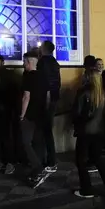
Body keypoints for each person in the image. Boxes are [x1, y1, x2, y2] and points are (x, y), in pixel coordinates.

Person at [72, 70, 105, 207]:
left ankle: (86, 188)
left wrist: (77, 124)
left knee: (81, 161)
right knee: (99, 160)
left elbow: (76, 113)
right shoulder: (102, 93)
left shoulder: (83, 92)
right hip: (100, 132)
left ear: (87, 78)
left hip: (85, 132)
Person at [20, 51, 50, 188]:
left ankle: (38, 169)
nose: (23, 64)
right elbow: (48, 95)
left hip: (30, 114)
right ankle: (38, 169)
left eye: (24, 62)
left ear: (29, 62)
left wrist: (22, 114)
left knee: (25, 142)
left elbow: (26, 97)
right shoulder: (43, 76)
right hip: (41, 113)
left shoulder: (28, 77)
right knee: (38, 142)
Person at [0, 55, 20, 175]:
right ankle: (3, 161)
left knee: (7, 137)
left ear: (2, 62)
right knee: (0, 137)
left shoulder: (8, 75)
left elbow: (12, 93)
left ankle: (10, 162)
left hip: (7, 110)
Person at [37, 41, 61, 173]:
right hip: (53, 98)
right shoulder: (54, 62)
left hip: (46, 100)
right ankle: (49, 159)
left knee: (45, 131)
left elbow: (45, 83)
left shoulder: (43, 62)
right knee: (47, 130)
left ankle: (50, 160)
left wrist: (45, 100)